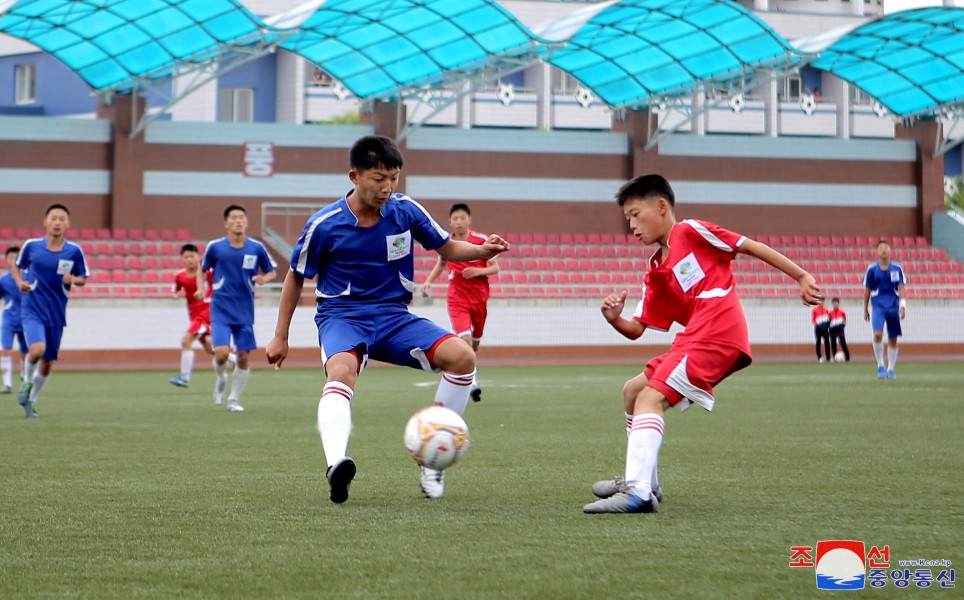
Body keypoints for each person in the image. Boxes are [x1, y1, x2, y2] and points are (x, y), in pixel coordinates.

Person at [266, 135, 509, 504]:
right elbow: (296, 276)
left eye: (393, 178)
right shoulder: (324, 224)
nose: (387, 187)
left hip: (394, 316)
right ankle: (337, 465)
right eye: (378, 178)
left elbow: (446, 247)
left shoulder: (405, 210)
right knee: (342, 372)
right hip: (342, 316)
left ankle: (433, 459)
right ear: (354, 176)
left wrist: (480, 249)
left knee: (464, 358)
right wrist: (280, 336)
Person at [583, 174, 820, 514]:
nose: (631, 226)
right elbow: (636, 329)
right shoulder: (655, 268)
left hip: (717, 333)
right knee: (633, 391)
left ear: (661, 206)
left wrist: (801, 276)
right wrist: (614, 319)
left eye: (635, 215)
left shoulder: (690, 231)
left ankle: (638, 493)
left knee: (650, 397)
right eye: (627, 220)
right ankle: (645, 481)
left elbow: (748, 245)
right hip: (696, 337)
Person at [10, 204, 89, 418]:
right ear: (45, 222)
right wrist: (19, 283)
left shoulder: (73, 251)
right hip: (32, 307)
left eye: (61, 219)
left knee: (47, 362)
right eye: (53, 218)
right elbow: (16, 265)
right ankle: (26, 382)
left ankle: (31, 400)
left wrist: (74, 279)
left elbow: (83, 278)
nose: (57, 222)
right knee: (36, 350)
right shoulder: (32, 246)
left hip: (56, 312)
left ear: (67, 223)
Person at [200, 205, 277, 412]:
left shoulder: (256, 247)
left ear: (246, 221)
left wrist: (263, 278)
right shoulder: (215, 247)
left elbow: (272, 271)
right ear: (226, 223)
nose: (238, 221)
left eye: (241, 217)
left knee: (243, 356)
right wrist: (201, 289)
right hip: (221, 308)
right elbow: (202, 268)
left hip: (244, 310)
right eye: (233, 218)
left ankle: (233, 399)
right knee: (222, 353)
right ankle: (220, 379)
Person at [421, 203, 499, 402]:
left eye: (462, 218)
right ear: (450, 221)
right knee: (464, 341)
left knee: (474, 344)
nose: (458, 222)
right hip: (457, 300)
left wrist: (478, 271)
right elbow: (442, 262)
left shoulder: (480, 240)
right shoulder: (447, 243)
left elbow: (495, 268)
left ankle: (471, 369)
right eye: (454, 219)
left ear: (468, 220)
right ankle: (473, 382)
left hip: (479, 299)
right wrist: (428, 281)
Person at [169, 243, 236, 387]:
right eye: (186, 257)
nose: (189, 260)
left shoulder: (207, 271)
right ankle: (236, 361)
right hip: (194, 314)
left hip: (206, 312)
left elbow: (221, 282)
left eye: (192, 256)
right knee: (210, 349)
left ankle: (184, 377)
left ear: (198, 256)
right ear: (182, 259)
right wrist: (176, 295)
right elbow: (174, 291)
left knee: (186, 341)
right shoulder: (180, 276)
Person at [863, 240, 905, 379]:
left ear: (890, 250)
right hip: (878, 307)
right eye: (881, 248)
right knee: (878, 335)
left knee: (893, 338)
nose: (884, 250)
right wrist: (865, 308)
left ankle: (891, 369)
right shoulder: (871, 269)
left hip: (893, 307)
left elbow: (901, 288)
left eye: (886, 247)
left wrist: (903, 306)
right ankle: (880, 365)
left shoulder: (897, 269)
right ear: (877, 251)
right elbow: (867, 290)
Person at [1, 246, 28, 394]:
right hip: (9, 320)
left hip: (25, 318)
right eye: (10, 258)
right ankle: (7, 385)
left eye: (16, 258)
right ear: (6, 260)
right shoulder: (3, 280)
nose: (13, 261)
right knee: (6, 350)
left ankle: (24, 376)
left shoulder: (27, 278)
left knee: (26, 351)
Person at [829, 296, 850, 362]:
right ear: (832, 304)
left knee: (843, 343)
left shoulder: (842, 312)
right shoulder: (830, 313)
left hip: (840, 331)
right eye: (833, 303)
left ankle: (847, 357)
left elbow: (845, 321)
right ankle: (835, 358)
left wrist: (842, 327)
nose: (835, 304)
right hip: (832, 332)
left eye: (836, 303)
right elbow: (828, 322)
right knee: (833, 345)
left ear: (838, 303)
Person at [811, 297, 831, 363]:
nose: (821, 302)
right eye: (819, 301)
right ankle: (819, 357)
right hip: (818, 329)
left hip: (825, 329)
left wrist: (827, 326)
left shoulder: (826, 310)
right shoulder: (814, 310)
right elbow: (813, 320)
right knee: (818, 343)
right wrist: (819, 325)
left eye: (822, 301)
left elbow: (829, 319)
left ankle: (828, 358)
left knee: (827, 343)